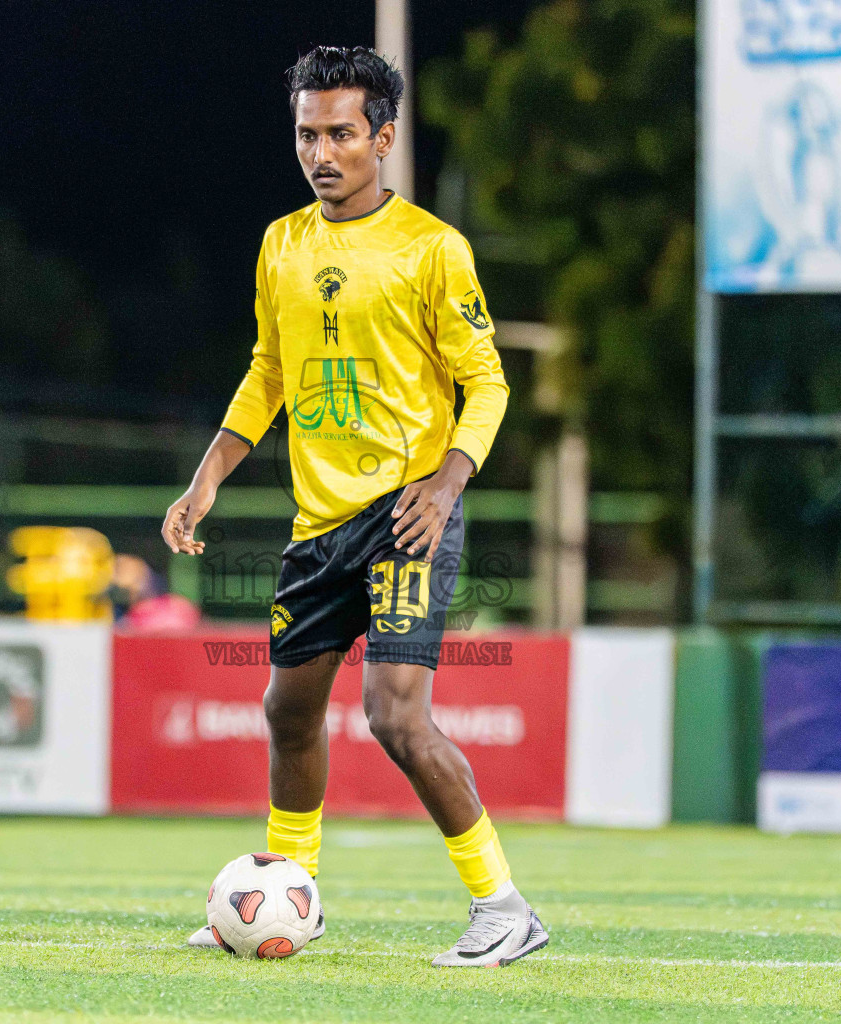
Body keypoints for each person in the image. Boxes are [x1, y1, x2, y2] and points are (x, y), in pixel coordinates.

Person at [161, 46, 545, 967]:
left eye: (340, 134)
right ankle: (294, 894)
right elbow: (270, 372)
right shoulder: (281, 244)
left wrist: (448, 479)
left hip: (409, 513)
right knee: (287, 713)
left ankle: (503, 908)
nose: (321, 152)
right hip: (318, 525)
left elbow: (486, 383)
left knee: (395, 716)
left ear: (383, 136)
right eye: (306, 134)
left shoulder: (431, 249)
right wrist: (209, 474)